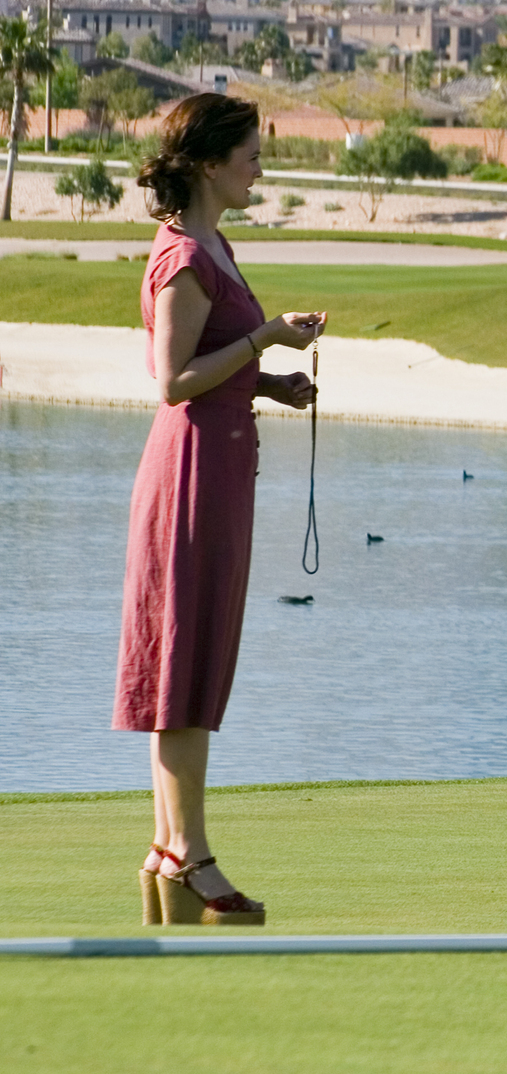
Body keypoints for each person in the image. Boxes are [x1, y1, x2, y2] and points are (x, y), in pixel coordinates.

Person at [118, 93, 326, 926]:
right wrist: (266, 339)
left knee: (193, 666)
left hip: (218, 466)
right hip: (192, 476)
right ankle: (190, 858)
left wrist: (270, 381)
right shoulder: (185, 258)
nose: (260, 168)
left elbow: (208, 366)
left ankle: (172, 850)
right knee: (185, 671)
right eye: (250, 155)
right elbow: (171, 382)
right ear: (208, 162)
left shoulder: (214, 244)